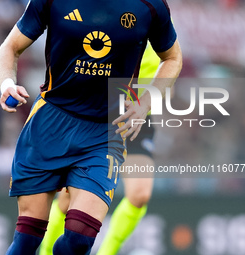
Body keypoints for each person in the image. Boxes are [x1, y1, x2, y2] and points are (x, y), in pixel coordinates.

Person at [0, 0, 182, 254]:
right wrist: (7, 84)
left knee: (79, 240)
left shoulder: (150, 6)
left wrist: (145, 103)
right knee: (27, 241)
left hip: (106, 130)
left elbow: (172, 58)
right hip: (50, 123)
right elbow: (11, 47)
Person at [39, 42, 159, 255]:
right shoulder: (115, 13)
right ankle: (46, 251)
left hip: (137, 117)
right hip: (96, 113)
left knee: (139, 194)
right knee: (68, 199)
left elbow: (171, 65)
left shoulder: (164, 21)